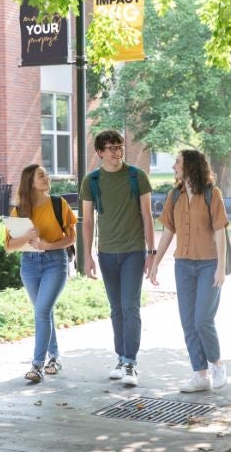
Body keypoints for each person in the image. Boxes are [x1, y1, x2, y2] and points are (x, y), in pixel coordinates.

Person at [149, 149, 229, 393]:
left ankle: (216, 364)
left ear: (190, 166)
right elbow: (167, 233)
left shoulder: (211, 193)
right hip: (183, 265)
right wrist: (154, 262)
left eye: (177, 162)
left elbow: (220, 231)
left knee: (202, 319)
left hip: (208, 264)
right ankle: (200, 375)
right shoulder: (175, 195)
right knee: (188, 322)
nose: (174, 166)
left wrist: (221, 267)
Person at [80, 130, 156, 387]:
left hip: (134, 251)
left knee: (130, 306)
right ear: (100, 152)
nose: (116, 152)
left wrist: (151, 252)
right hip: (107, 253)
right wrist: (87, 256)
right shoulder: (91, 181)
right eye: (111, 148)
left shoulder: (137, 176)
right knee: (116, 309)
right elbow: (88, 221)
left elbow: (147, 216)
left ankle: (131, 363)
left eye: (119, 147)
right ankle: (121, 358)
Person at [5, 164, 77, 383]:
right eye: (41, 176)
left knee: (43, 311)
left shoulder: (58, 204)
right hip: (29, 265)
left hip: (55, 262)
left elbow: (71, 238)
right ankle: (54, 357)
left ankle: (37, 365)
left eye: (46, 175)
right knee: (43, 312)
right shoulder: (20, 211)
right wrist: (26, 236)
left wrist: (48, 245)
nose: (46, 178)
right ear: (30, 182)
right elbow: (9, 246)